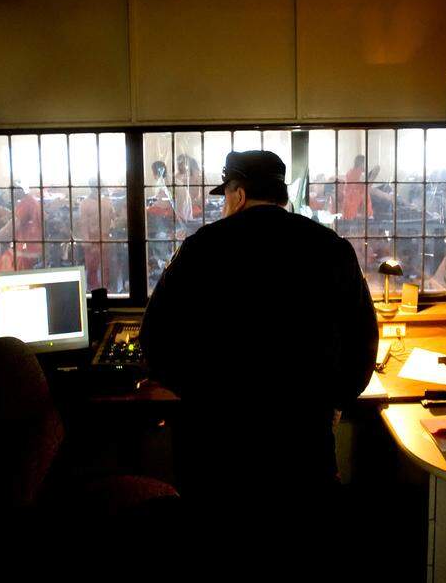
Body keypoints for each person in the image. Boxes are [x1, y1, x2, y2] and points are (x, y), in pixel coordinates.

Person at [140, 150, 378, 527]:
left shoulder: (201, 248)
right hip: (303, 448)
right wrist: (333, 402)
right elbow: (363, 343)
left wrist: (199, 395)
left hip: (218, 450)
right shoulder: (332, 249)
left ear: (237, 194)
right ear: (280, 195)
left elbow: (154, 340)